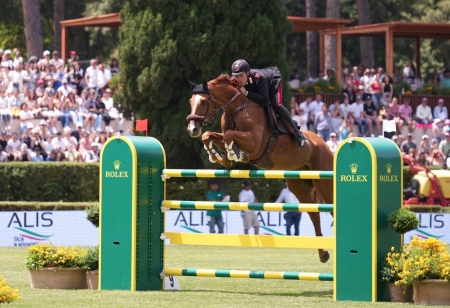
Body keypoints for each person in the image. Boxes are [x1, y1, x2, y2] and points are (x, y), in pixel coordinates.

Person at [230, 59, 307, 148]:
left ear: (247, 73)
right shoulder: (234, 80)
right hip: (260, 87)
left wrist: (247, 93)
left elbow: (265, 100)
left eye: (241, 76)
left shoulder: (259, 78)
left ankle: (298, 135)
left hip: (272, 82)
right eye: (236, 76)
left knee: (277, 105)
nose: (238, 79)